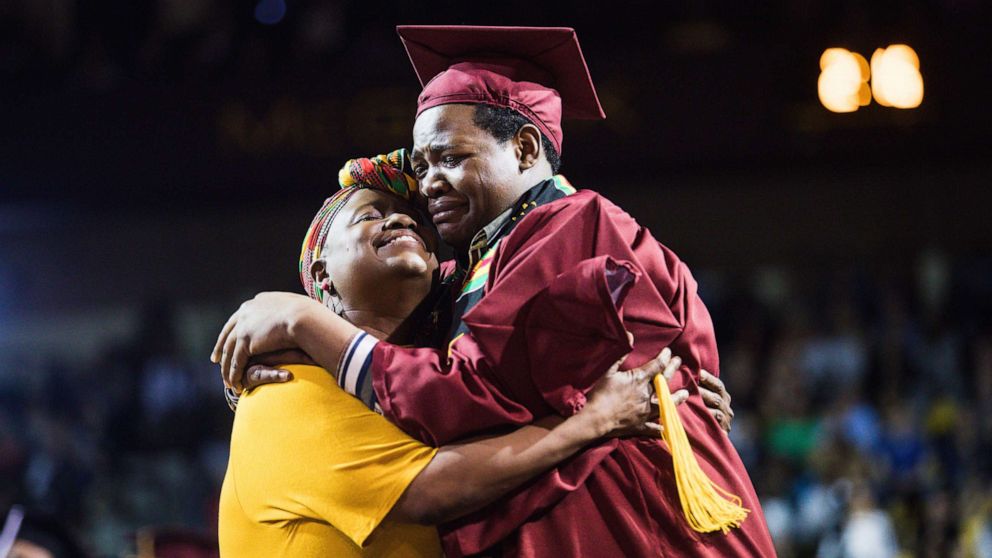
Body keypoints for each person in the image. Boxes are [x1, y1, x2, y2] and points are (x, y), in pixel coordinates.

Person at [214, 26, 774, 556]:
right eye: (423, 164)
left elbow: (471, 397)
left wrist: (301, 324)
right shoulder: (488, 262)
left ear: (526, 149)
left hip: (638, 529)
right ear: (321, 278)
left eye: (450, 158)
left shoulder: (573, 226)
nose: (427, 185)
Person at [217, 160, 689, 557]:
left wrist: (684, 386)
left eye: (416, 223)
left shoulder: (432, 386)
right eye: (370, 216)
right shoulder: (288, 389)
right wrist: (596, 419)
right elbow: (435, 490)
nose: (403, 222)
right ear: (322, 274)